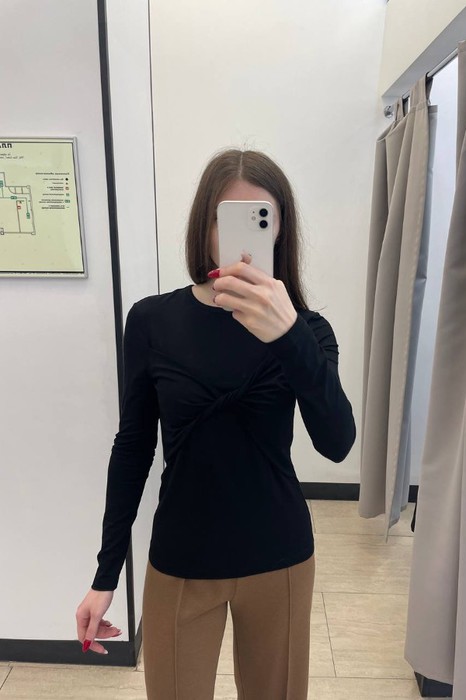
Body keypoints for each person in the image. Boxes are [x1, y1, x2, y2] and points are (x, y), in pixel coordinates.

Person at [75, 148, 356, 699]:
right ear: (203, 226)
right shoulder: (153, 321)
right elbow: (132, 448)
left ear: (280, 230)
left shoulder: (308, 330)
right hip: (182, 556)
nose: (242, 238)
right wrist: (106, 575)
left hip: (279, 555)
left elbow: (337, 442)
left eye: (261, 219)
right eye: (225, 220)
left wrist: (289, 335)